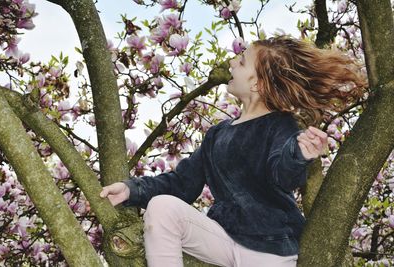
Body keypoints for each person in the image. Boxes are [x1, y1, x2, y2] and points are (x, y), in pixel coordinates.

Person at [99, 36, 367, 267]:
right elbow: (181, 185)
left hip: (271, 250)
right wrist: (132, 190)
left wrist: (298, 154)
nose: (231, 63)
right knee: (162, 208)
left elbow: (282, 175)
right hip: (224, 238)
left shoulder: (280, 124)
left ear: (256, 85)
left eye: (240, 62)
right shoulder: (218, 133)